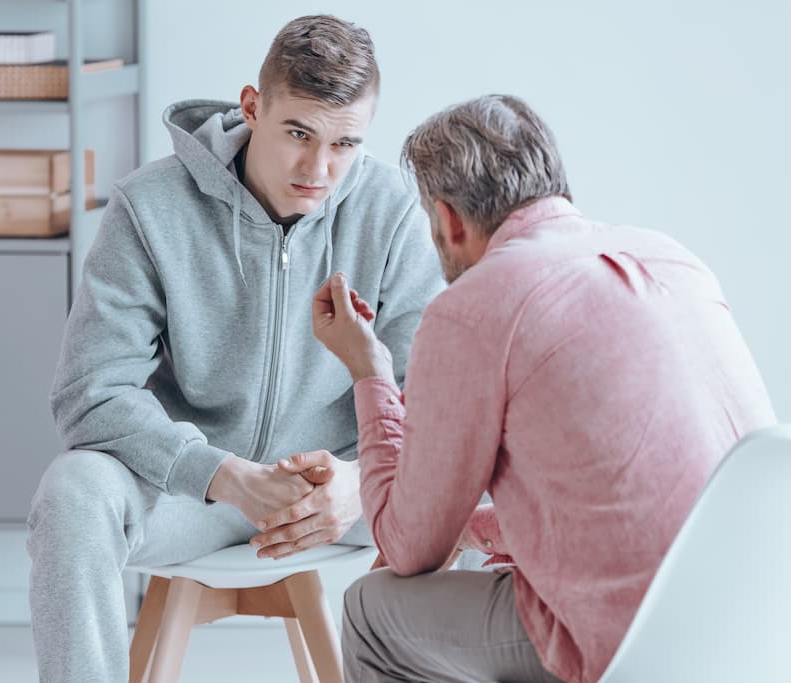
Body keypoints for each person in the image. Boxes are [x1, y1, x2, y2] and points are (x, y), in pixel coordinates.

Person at [295, 94, 776, 683]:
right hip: (763, 627)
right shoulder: (674, 259)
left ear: (448, 220)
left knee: (370, 611)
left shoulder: (473, 309)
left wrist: (368, 370)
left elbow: (406, 547)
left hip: (637, 648)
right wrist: (478, 526)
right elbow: (633, 498)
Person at [25, 14, 445, 682]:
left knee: (499, 492)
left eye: (345, 144)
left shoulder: (389, 211)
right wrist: (223, 475)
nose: (319, 168)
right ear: (253, 108)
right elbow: (88, 392)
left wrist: (364, 483)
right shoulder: (149, 207)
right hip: (193, 492)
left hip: (332, 494)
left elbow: (440, 400)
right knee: (73, 492)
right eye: (298, 134)